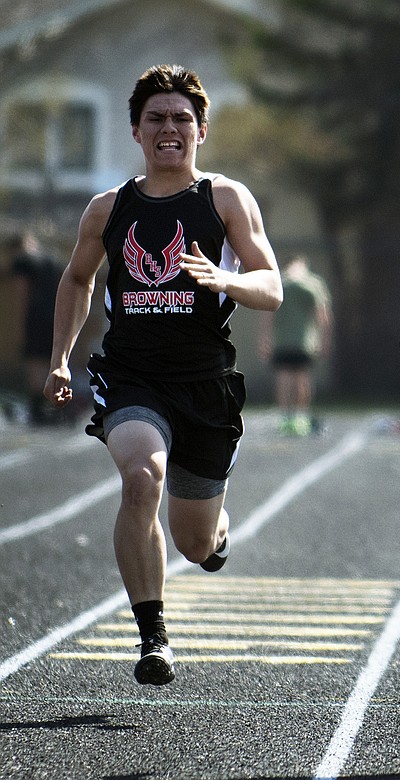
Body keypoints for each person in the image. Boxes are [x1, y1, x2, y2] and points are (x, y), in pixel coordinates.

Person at [43, 65, 283, 686]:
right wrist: (60, 356)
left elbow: (272, 287)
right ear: (136, 131)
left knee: (195, 544)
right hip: (133, 378)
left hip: (204, 384)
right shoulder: (108, 209)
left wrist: (226, 279)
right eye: (156, 118)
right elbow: (77, 278)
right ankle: (153, 638)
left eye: (181, 118)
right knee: (141, 478)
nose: (169, 128)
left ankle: (214, 530)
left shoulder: (225, 199)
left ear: (201, 129)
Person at [261, 254, 332, 437]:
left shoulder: (280, 283)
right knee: (302, 378)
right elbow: (323, 315)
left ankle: (285, 417)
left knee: (284, 378)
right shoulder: (313, 284)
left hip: (283, 341)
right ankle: (299, 418)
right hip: (304, 341)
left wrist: (265, 338)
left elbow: (268, 313)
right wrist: (325, 339)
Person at [7, 231, 64, 425]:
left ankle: (38, 410)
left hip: (36, 316)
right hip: (57, 315)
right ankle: (57, 409)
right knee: (53, 360)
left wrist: (21, 324)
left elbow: (22, 294)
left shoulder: (23, 262)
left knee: (36, 362)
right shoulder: (51, 260)